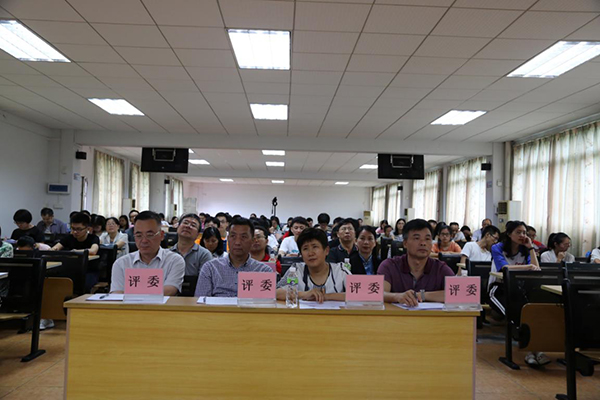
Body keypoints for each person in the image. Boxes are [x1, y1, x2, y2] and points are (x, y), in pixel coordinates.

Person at [488, 220, 544, 367]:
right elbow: (504, 268)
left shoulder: (525, 249)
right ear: (509, 234)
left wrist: (530, 248)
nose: (522, 235)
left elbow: (536, 269)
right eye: (518, 232)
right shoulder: (497, 247)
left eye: (524, 233)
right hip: (497, 289)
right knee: (513, 316)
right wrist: (527, 267)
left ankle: (533, 351)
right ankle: (529, 350)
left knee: (528, 313)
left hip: (516, 289)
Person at [379, 219, 454, 305]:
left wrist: (421, 295)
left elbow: (458, 293)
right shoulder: (390, 265)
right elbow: (380, 293)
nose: (423, 243)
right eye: (417, 238)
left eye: (427, 239)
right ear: (405, 243)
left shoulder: (440, 268)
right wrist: (397, 296)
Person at [110, 211, 184, 295]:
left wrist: (131, 293)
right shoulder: (121, 263)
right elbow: (117, 293)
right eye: (139, 236)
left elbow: (170, 290)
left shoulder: (174, 260)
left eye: (150, 235)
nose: (144, 240)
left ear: (161, 235)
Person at [195, 218, 273, 297]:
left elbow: (266, 302)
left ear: (252, 241)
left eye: (243, 237)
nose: (237, 242)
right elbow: (201, 301)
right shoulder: (210, 268)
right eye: (233, 236)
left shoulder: (264, 271)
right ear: (228, 239)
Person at [276, 228, 350, 303]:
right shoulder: (296, 270)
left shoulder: (341, 270)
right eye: (305, 249)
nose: (310, 253)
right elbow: (276, 292)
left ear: (326, 250)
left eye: (315, 247)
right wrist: (304, 294)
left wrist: (325, 296)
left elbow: (355, 294)